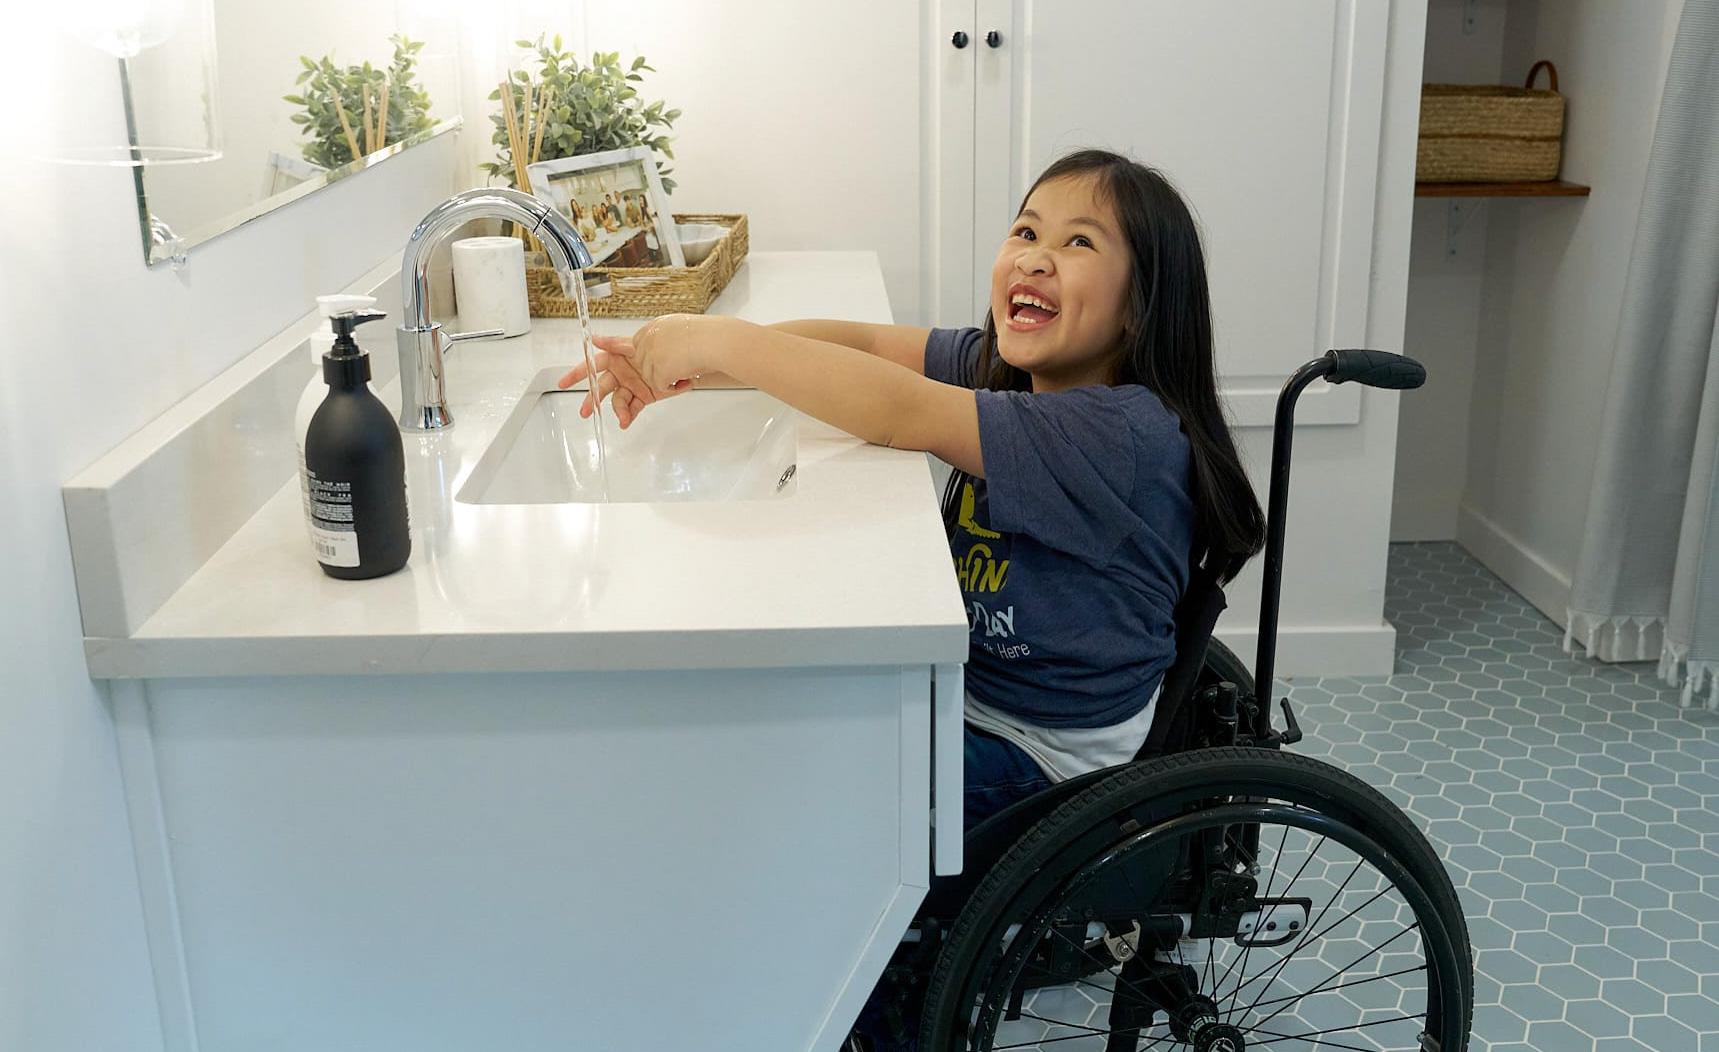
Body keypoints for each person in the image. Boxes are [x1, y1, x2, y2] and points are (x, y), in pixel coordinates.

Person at [557, 149, 1265, 1046]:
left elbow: (895, 408)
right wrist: (683, 361)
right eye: (1025, 230)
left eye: (1078, 242)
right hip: (978, 704)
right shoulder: (1008, 370)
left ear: (1141, 305)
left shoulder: (1116, 432)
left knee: (812, 813)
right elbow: (853, 349)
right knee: (785, 752)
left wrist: (715, 341)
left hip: (1042, 761)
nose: (1036, 256)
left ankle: (868, 1014)